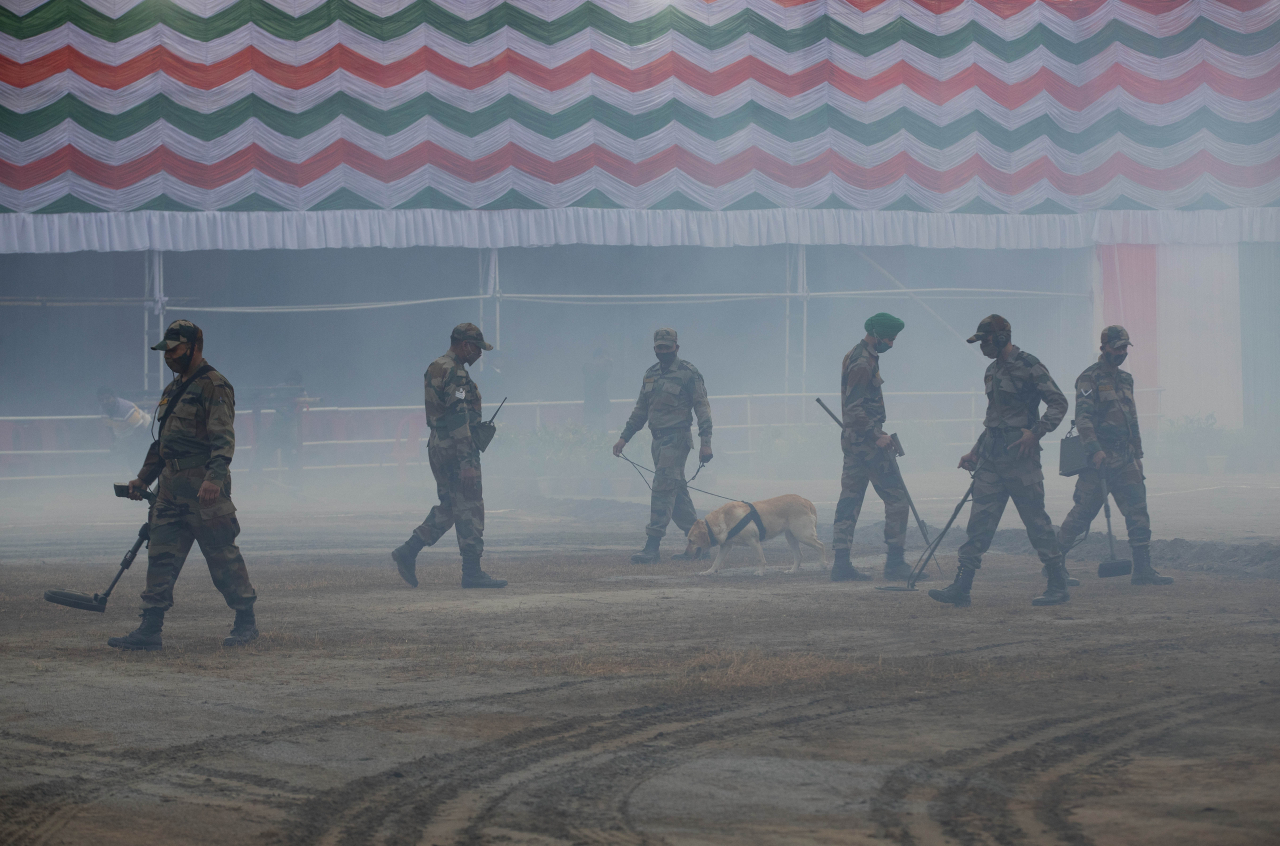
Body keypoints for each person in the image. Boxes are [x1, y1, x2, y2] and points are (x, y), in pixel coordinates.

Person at [109, 320, 258, 651]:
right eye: (166, 351)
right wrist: (143, 478)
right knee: (160, 555)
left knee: (222, 556)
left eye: (174, 350)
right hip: (170, 488)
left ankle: (246, 621)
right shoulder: (172, 390)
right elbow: (163, 444)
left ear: (194, 347)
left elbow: (223, 439)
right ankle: (150, 628)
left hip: (203, 487)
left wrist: (214, 479)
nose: (169, 357)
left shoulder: (214, 386)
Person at [929, 315, 1071, 608]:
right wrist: (975, 450)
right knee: (979, 522)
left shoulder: (1030, 365)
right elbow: (995, 418)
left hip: (1021, 459)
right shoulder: (992, 371)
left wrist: (1036, 433)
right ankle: (962, 587)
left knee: (1036, 522)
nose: (982, 347)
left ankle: (1058, 583)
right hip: (992, 458)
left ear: (1002, 337)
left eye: (986, 340)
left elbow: (1059, 402)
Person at [391, 323, 507, 589]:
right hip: (457, 448)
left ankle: (410, 549)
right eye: (477, 348)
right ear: (465, 345)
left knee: (452, 506)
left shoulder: (436, 366)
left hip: (438, 445)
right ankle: (472, 571)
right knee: (470, 505)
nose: (479, 354)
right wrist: (468, 462)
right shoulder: (455, 374)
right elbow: (457, 418)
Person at [1058, 326, 1172, 586]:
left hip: (1126, 457)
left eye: (1124, 348)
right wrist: (1095, 450)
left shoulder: (1126, 379)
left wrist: (1138, 453)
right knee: (1082, 514)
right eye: (1117, 347)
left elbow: (1132, 419)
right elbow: (1083, 418)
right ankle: (1055, 565)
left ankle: (1142, 570)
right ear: (1104, 348)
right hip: (1098, 459)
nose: (1121, 352)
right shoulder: (1089, 379)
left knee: (1138, 512)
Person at [831, 312, 919, 582]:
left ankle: (841, 565)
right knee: (897, 498)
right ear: (877, 334)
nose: (892, 344)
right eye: (890, 338)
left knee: (850, 500)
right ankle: (894, 563)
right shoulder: (861, 362)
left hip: (854, 442)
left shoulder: (859, 355)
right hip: (867, 443)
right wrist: (875, 434)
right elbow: (854, 407)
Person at [613, 328, 713, 563]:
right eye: (660, 347)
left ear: (676, 347)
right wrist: (624, 437)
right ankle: (704, 544)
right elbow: (640, 410)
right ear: (655, 349)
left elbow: (702, 408)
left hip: (677, 439)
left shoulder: (689, 374)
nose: (664, 351)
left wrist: (705, 443)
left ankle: (652, 545)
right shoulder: (650, 374)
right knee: (675, 495)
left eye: (668, 347)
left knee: (661, 489)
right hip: (657, 441)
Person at [98, 387, 152, 455]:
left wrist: (128, 444)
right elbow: (110, 427)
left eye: (107, 398)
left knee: (139, 454)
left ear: (114, 397)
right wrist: (115, 442)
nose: (105, 402)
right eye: (101, 400)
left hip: (146, 428)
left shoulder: (125, 409)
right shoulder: (102, 409)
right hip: (127, 431)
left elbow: (141, 428)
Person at [582, 345, 613, 432]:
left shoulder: (598, 371)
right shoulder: (590, 369)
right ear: (597, 358)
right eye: (603, 358)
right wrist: (609, 363)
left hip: (600, 411)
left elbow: (606, 374)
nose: (605, 361)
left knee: (602, 437)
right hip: (592, 411)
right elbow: (604, 374)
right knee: (592, 436)